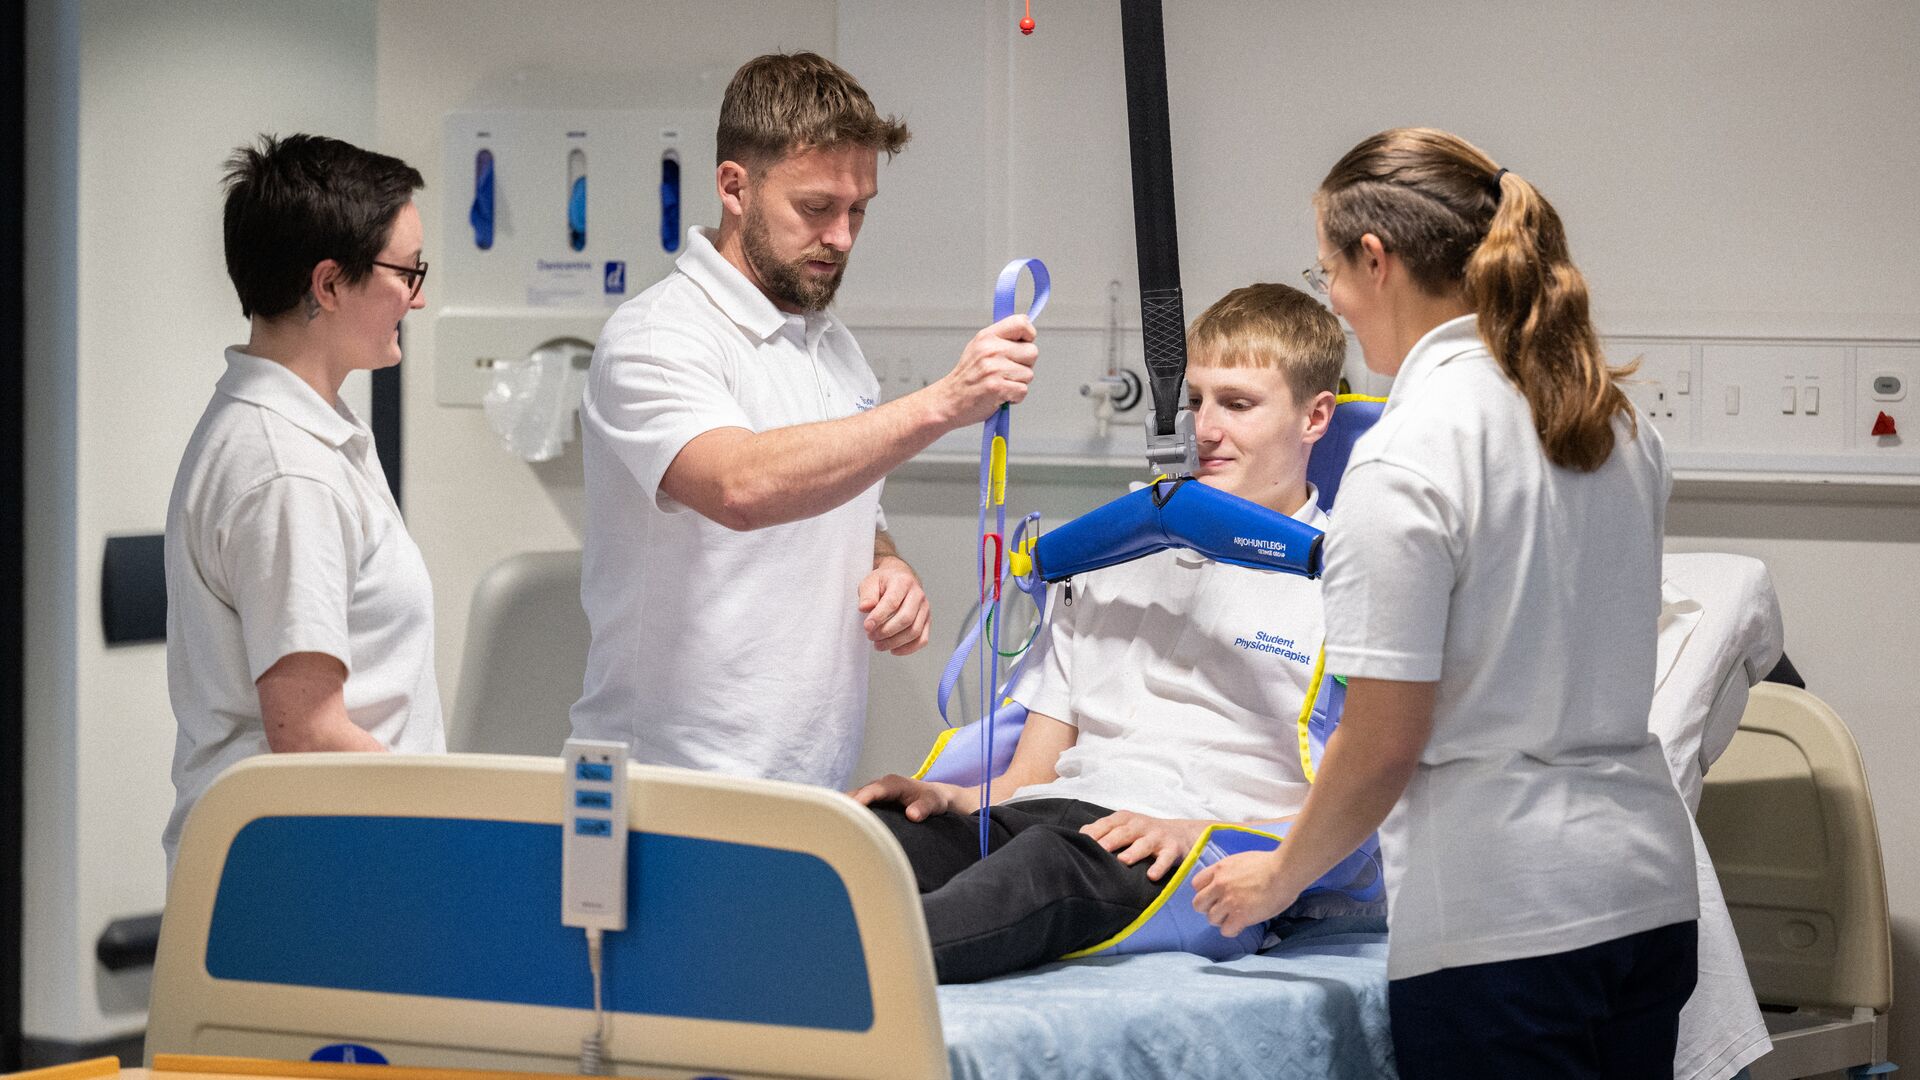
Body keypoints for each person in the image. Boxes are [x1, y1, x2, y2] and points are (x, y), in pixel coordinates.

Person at [1191, 128, 1699, 1078]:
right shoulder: (1614, 424)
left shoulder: (1406, 453)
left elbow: (1382, 742)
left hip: (1506, 922)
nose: (1334, 303)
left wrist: (1275, 877)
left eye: (1329, 272)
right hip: (1644, 899)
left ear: (1374, 260)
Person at [571, 52, 1042, 788]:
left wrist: (887, 564)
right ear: (735, 185)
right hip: (668, 783)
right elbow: (740, 486)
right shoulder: (657, 337)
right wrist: (943, 403)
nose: (843, 237)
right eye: (817, 208)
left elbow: (847, 500)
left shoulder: (831, 346)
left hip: (806, 779)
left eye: (858, 210)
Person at [854, 284, 1345, 983]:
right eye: (1195, 400)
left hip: (1198, 851)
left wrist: (1201, 835)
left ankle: (826, 970)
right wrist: (946, 800)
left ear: (1314, 416)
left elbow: (1366, 793)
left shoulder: (1345, 580)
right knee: (874, 842)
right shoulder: (1115, 557)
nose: (1204, 428)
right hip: (1054, 820)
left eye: (1237, 404)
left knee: (1045, 864)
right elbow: (1031, 776)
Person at [164, 134, 443, 873]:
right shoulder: (287, 470)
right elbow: (310, 735)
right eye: (406, 271)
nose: (419, 295)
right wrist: (458, 828)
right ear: (328, 283)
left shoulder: (306, 431)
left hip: (326, 863)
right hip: (303, 880)